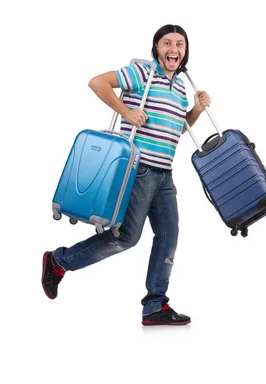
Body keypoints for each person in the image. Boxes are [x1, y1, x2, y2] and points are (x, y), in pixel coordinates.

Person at [41, 24, 211, 326]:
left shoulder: (180, 87)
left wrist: (195, 110)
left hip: (164, 175)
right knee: (126, 238)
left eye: (180, 44)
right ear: (157, 48)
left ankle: (155, 305)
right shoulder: (142, 73)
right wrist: (125, 111)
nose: (174, 49)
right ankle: (58, 261)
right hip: (139, 170)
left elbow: (177, 129)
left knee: (168, 236)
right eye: (167, 43)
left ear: (185, 51)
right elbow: (97, 83)